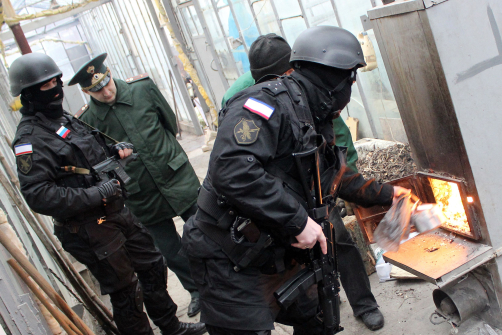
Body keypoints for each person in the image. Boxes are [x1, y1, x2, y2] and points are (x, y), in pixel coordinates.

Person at [182, 26, 408, 334]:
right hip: (229, 256)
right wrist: (298, 221)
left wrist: (388, 194)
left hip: (278, 247)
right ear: (335, 78)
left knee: (316, 321)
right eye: (350, 79)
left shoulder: (311, 112)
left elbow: (333, 177)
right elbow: (232, 169)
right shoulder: (263, 104)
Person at [8, 53, 206, 335]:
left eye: (57, 83)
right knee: (126, 291)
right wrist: (94, 193)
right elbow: (38, 194)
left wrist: (112, 152)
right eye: (45, 86)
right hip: (90, 227)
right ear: (27, 94)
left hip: (115, 212)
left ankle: (171, 327)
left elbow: (85, 156)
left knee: (152, 266)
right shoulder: (29, 140)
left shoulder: (62, 120)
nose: (55, 91)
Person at [220, 33, 380, 330]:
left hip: (313, 191)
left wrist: (371, 192)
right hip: (273, 210)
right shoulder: (251, 98)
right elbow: (233, 165)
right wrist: (295, 219)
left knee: (338, 243)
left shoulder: (317, 94)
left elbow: (335, 151)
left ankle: (364, 304)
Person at [69, 53, 203, 317]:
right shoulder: (87, 121)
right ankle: (197, 289)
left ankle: (225, 277)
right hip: (141, 194)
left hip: (176, 175)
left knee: (205, 228)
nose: (106, 92)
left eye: (107, 83)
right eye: (97, 90)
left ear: (109, 74)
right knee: (170, 250)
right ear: (87, 92)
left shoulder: (142, 88)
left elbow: (169, 122)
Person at [222, 35, 359, 172]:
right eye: (280, 79)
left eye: (291, 74)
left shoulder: (306, 88)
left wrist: (345, 176)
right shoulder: (236, 98)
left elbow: (339, 134)